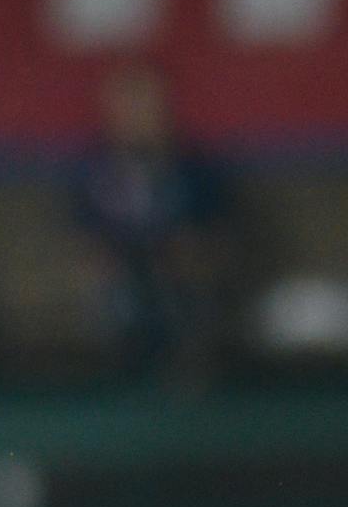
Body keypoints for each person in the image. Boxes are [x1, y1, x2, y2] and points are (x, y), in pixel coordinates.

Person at [72, 66, 230, 381]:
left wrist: (190, 253)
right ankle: (118, 386)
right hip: (121, 277)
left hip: (181, 277)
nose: (136, 114)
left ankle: (187, 382)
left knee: (183, 297)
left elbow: (220, 234)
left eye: (144, 102)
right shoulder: (93, 168)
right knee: (117, 298)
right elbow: (82, 238)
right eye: (126, 104)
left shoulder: (193, 165)